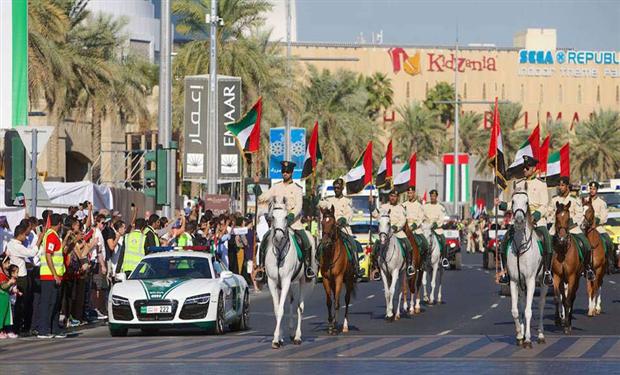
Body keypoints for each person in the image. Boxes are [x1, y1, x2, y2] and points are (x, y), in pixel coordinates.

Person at [497, 156, 553, 286]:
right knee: (504, 242)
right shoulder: (519, 184)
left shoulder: (541, 184)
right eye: (524, 167)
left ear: (534, 169)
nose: (525, 170)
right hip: (520, 221)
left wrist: (536, 216)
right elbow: (515, 204)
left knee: (548, 241)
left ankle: (547, 272)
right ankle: (505, 272)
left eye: (527, 167)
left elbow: (545, 204)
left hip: (537, 221)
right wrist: (502, 205)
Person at [254, 161, 315, 280]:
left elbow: (298, 206)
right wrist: (257, 186)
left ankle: (308, 267)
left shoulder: (297, 189)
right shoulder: (276, 187)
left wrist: (291, 215)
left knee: (306, 242)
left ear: (291, 173)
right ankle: (262, 268)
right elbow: (263, 197)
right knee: (265, 240)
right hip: (278, 225)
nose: (285, 173)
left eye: (287, 172)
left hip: (294, 224)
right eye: (283, 171)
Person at [318, 178, 365, 280]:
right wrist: (319, 201)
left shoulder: (347, 200)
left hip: (343, 229)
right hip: (331, 230)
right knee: (321, 245)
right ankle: (317, 266)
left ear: (342, 188)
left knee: (353, 244)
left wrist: (343, 219)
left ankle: (357, 267)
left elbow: (350, 214)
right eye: (335, 188)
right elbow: (322, 205)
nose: (336, 190)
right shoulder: (329, 200)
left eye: (338, 188)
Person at [549, 176, 594, 281]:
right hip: (556, 229)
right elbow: (549, 212)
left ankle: (587, 268)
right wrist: (555, 220)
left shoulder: (574, 200)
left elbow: (579, 214)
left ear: (567, 186)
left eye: (562, 185)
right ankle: (547, 270)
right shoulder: (554, 199)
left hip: (572, 228)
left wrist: (569, 222)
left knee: (586, 245)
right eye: (559, 185)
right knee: (547, 245)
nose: (560, 187)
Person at [371, 189, 415, 280]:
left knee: (408, 245)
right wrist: (371, 205)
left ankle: (409, 266)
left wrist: (397, 227)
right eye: (391, 196)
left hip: (398, 232)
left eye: (394, 196)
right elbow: (375, 214)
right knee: (375, 247)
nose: (392, 198)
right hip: (385, 233)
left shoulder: (401, 208)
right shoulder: (383, 207)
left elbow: (403, 220)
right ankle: (376, 268)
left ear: (397, 198)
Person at [6, 223, 39, 335]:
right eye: (24, 235)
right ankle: (18, 328)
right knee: (22, 303)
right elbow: (32, 253)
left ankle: (17, 327)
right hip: (21, 277)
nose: (25, 237)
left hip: (16, 275)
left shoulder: (10, 243)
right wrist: (39, 241)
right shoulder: (17, 246)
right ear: (19, 234)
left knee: (19, 303)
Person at [37, 214, 66, 338]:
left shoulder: (54, 236)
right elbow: (49, 255)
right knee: (47, 303)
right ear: (59, 223)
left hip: (56, 275)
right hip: (49, 276)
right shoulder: (51, 236)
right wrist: (54, 274)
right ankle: (43, 329)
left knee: (55, 303)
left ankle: (54, 328)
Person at [587, 181, 616, 273]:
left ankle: (611, 263)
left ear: (597, 190)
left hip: (598, 228)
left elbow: (604, 217)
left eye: (594, 189)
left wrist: (596, 222)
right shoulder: (585, 201)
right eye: (590, 188)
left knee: (609, 243)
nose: (592, 191)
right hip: (586, 228)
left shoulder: (601, 203)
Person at [402, 186, 430, 268]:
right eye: (408, 193)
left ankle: (423, 263)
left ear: (414, 193)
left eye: (411, 193)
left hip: (416, 230)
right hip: (405, 229)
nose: (409, 195)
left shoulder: (419, 205)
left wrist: (414, 226)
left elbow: (420, 218)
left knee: (425, 244)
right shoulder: (403, 205)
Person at [423, 190, 449, 269]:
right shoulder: (425, 206)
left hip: (437, 229)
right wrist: (426, 224)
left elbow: (441, 218)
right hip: (427, 228)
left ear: (436, 197)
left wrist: (436, 224)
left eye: (434, 196)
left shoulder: (440, 207)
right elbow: (422, 216)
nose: (432, 198)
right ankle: (421, 260)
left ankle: (444, 259)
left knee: (444, 242)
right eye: (431, 196)